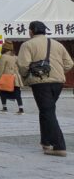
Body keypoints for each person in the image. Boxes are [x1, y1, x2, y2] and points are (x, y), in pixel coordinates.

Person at [18, 21, 74, 157]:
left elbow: (23, 65)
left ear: (31, 31)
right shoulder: (57, 44)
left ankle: (59, 146)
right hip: (58, 82)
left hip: (40, 82)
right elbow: (69, 63)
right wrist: (58, 72)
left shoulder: (27, 45)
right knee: (46, 110)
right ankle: (46, 141)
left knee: (48, 112)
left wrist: (27, 77)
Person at [0, 42, 24, 114]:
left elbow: (1, 69)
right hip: (15, 78)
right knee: (17, 93)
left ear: (4, 48)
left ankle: (4, 108)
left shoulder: (4, 56)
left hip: (6, 78)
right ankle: (21, 109)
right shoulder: (15, 57)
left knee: (2, 93)